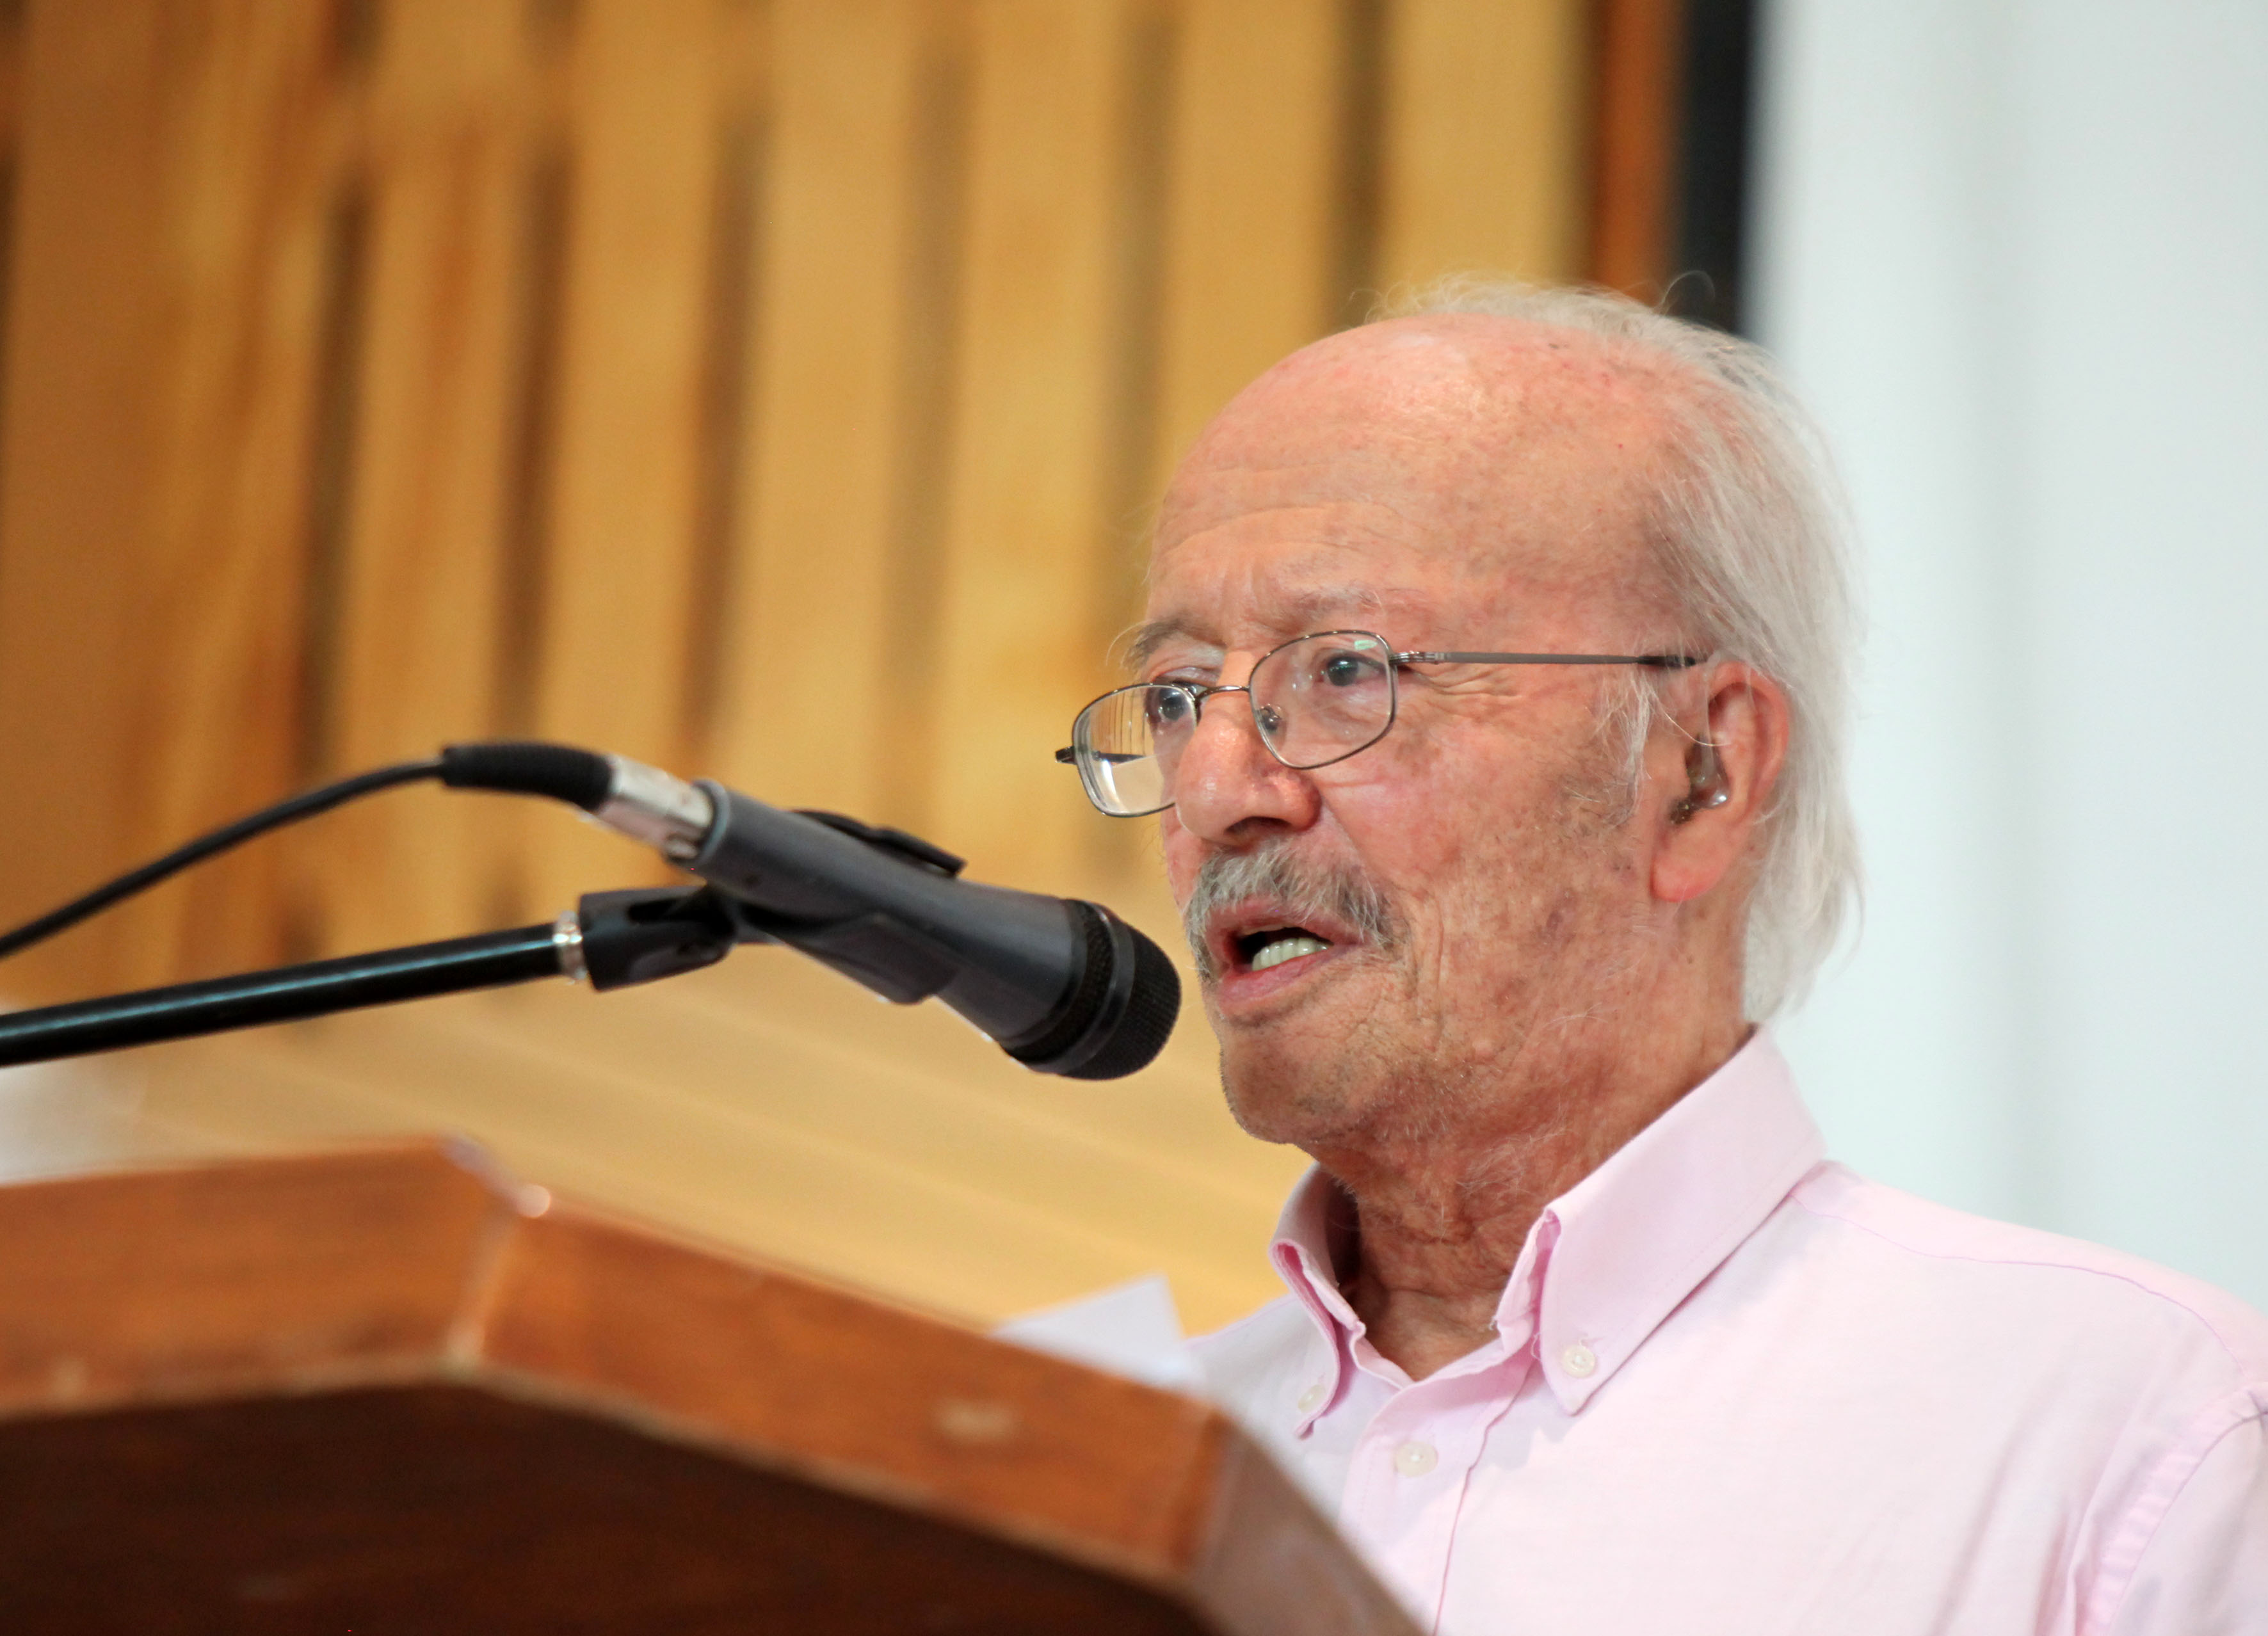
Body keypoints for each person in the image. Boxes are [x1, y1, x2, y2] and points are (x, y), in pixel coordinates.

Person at [1056, 282, 2268, 1633]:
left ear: (1701, 772)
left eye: (1346, 672)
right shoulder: (1072, 1482)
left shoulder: (2127, 1446)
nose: (1216, 787)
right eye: (1177, 696)